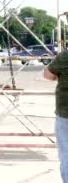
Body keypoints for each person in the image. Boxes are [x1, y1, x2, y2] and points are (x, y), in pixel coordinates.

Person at [44, 50, 68, 182]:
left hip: (65, 113)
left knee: (66, 154)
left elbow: (47, 75)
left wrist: (60, 76)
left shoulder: (65, 56)